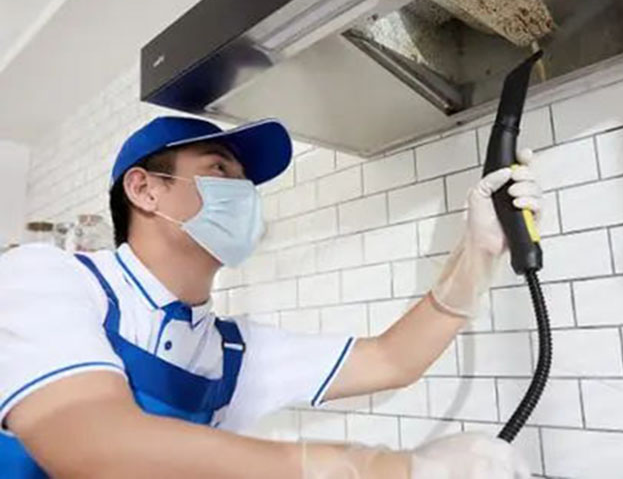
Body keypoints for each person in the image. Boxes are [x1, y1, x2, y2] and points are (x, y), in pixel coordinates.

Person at [0, 116, 543, 478]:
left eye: (246, 183)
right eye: (219, 169)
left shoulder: (231, 350)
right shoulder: (48, 276)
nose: (242, 195)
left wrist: (477, 253)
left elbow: (391, 360)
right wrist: (388, 469)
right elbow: (94, 445)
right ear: (144, 189)